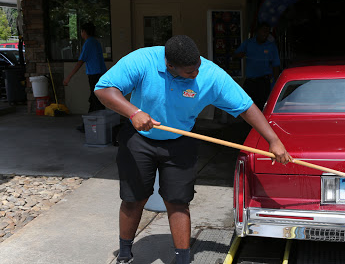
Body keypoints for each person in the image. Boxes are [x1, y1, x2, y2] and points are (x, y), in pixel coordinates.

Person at [94, 35, 292, 264]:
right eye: (189, 72)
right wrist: (133, 112)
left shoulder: (210, 74)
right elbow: (104, 89)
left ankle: (183, 258)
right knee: (134, 198)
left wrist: (273, 140)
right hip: (139, 139)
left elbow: (245, 107)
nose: (195, 74)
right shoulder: (142, 60)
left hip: (180, 141)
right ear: (169, 66)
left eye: (197, 67)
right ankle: (125, 253)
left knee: (178, 200)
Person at [63, 22, 107, 130]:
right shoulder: (96, 42)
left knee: (95, 99)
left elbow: (80, 61)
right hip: (101, 73)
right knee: (96, 99)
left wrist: (69, 76)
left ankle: (90, 125)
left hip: (94, 75)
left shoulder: (89, 43)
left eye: (81, 31)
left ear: (84, 32)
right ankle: (94, 124)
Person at [234, 23, 280, 110]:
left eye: (267, 32)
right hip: (251, 81)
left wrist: (277, 82)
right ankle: (247, 123)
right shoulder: (248, 43)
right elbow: (235, 55)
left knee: (262, 106)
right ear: (257, 32)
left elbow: (276, 65)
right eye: (263, 31)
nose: (265, 34)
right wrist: (241, 54)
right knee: (247, 105)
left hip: (264, 81)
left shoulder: (271, 46)